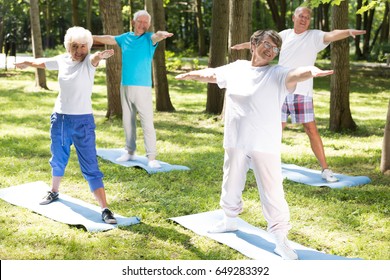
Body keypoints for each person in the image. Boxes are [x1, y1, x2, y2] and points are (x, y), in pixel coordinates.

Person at [176, 30, 333, 260]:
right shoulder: (237, 67)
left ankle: (280, 238)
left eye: (275, 48)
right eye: (267, 44)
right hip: (236, 139)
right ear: (254, 44)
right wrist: (191, 75)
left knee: (272, 191)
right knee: (231, 181)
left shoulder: (278, 73)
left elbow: (297, 73)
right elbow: (211, 74)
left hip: (264, 143)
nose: (270, 50)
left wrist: (312, 71)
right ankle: (229, 219)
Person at [232, 6, 366, 183]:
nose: (304, 20)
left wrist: (348, 32)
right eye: (301, 16)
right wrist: (242, 46)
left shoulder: (314, 36)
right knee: (275, 128)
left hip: (302, 92)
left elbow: (332, 34)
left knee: (311, 129)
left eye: (307, 18)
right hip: (279, 89)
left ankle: (325, 169)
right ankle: (259, 160)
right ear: (294, 18)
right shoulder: (284, 35)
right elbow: (263, 43)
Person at [15, 26, 117, 224]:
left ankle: (105, 209)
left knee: (90, 165)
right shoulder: (62, 59)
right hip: (60, 119)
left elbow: (95, 59)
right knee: (58, 157)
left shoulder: (89, 61)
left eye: (83, 46)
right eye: (75, 46)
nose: (79, 50)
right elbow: (42, 62)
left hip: (83, 122)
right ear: (68, 46)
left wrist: (100, 55)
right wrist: (26, 62)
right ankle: (54, 191)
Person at [93, 10, 173, 169]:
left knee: (146, 122)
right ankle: (129, 151)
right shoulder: (125, 38)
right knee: (128, 121)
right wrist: (91, 37)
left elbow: (156, 36)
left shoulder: (149, 39)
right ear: (133, 22)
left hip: (142, 87)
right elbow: (109, 38)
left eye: (146, 22)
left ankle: (151, 157)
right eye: (140, 21)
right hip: (125, 85)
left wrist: (161, 34)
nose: (143, 25)